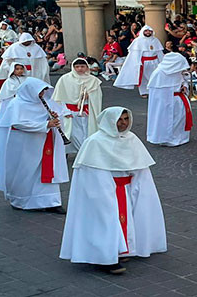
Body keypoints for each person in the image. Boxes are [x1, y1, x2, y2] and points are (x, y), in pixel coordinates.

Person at [59, 107, 167, 275]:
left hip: (126, 188)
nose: (123, 123)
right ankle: (105, 257)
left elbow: (141, 168)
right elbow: (92, 174)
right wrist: (107, 191)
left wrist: (139, 185)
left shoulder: (131, 139)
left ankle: (123, 248)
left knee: (128, 218)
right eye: (119, 120)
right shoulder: (95, 142)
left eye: (126, 119)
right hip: (103, 190)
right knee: (106, 221)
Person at [0, 78, 69, 213]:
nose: (42, 94)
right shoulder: (16, 104)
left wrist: (53, 118)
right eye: (40, 92)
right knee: (25, 172)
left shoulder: (45, 102)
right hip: (24, 144)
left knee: (47, 171)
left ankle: (51, 201)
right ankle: (22, 200)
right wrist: (45, 124)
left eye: (43, 91)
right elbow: (18, 123)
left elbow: (52, 120)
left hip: (44, 142)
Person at [52, 58, 103, 153]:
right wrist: (64, 111)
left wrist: (90, 96)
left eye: (82, 66)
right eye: (77, 67)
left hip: (87, 112)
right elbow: (58, 98)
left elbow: (98, 97)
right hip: (70, 112)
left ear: (87, 67)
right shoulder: (65, 79)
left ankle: (86, 153)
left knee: (87, 133)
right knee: (71, 134)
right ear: (73, 67)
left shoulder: (93, 80)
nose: (80, 69)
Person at [146, 53, 192, 147]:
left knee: (180, 119)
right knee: (168, 120)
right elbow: (157, 93)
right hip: (166, 101)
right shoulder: (158, 73)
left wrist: (184, 87)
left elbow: (183, 82)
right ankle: (166, 139)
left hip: (179, 99)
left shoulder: (177, 71)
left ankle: (180, 138)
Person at [114, 25, 164, 97]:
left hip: (155, 62)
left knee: (154, 77)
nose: (148, 32)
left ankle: (154, 90)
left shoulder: (155, 40)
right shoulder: (138, 41)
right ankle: (144, 92)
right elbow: (135, 54)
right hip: (144, 62)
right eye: (146, 31)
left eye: (149, 31)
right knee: (143, 78)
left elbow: (159, 52)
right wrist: (137, 63)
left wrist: (162, 62)